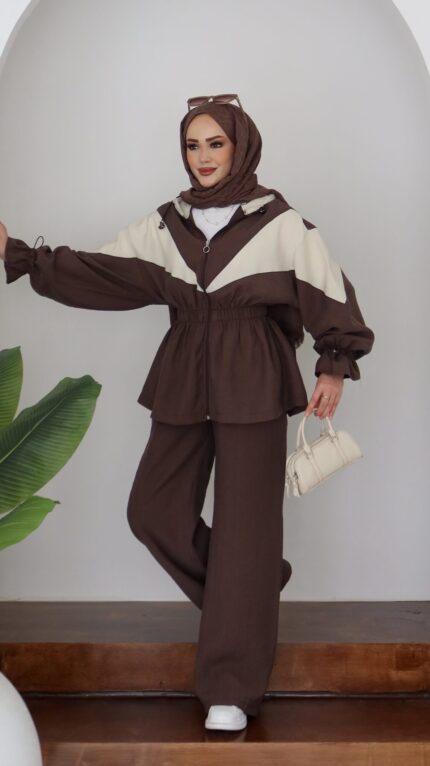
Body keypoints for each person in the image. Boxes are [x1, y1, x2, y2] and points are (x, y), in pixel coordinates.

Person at [0, 93, 375, 731]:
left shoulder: (280, 222)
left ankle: (231, 687)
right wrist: (19, 255)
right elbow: (103, 272)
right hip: (183, 373)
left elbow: (329, 292)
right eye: (192, 145)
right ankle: (251, 590)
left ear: (240, 146)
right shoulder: (166, 224)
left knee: (246, 527)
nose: (203, 157)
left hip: (253, 376)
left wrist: (333, 365)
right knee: (154, 511)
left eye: (215, 143)